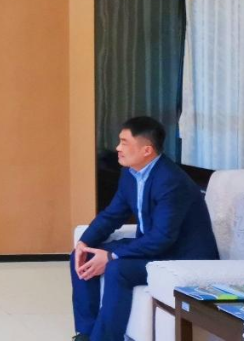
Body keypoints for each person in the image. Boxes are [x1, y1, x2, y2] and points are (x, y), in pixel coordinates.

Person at [71, 117, 219, 341]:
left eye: (124, 142)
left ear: (146, 150)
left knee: (117, 268)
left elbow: (162, 237)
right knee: (82, 255)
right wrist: (85, 242)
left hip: (182, 256)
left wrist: (110, 256)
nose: (117, 148)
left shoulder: (171, 181)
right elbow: (113, 215)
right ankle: (86, 333)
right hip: (154, 247)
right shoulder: (130, 173)